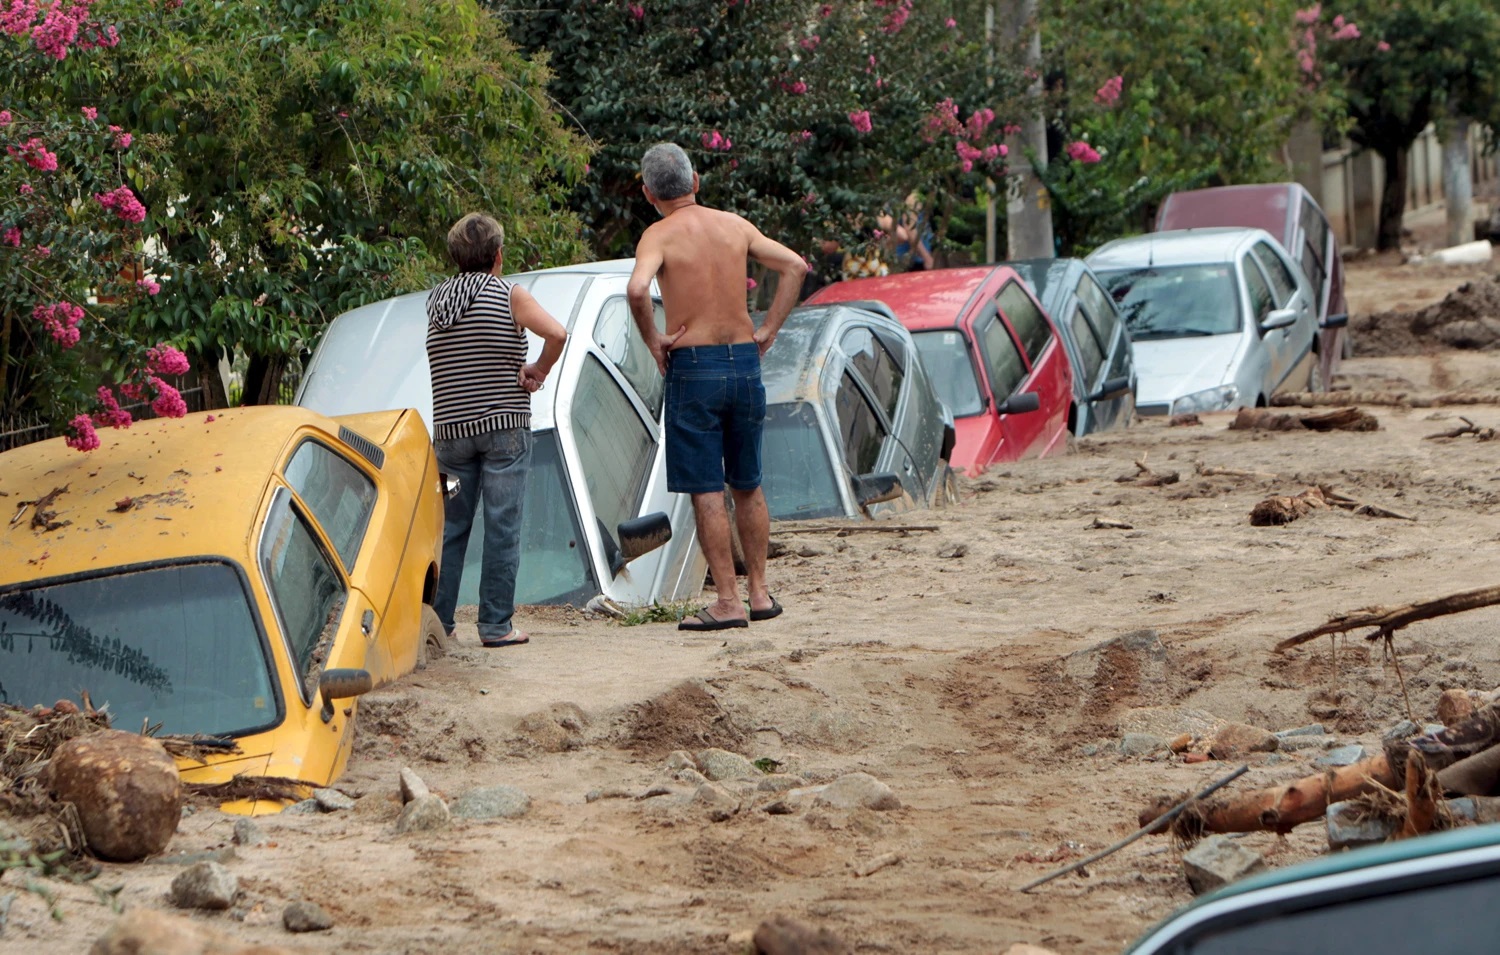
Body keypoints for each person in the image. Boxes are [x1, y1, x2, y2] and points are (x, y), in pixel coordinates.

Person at [626, 143, 807, 631]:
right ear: (696, 181)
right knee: (747, 482)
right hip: (744, 362)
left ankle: (727, 601)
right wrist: (768, 328)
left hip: (694, 366)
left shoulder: (657, 234)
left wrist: (654, 340)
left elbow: (638, 289)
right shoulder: (736, 226)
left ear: (647, 193)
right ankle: (760, 594)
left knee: (707, 488)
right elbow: (795, 266)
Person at [426, 212, 567, 648]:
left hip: (450, 433)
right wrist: (537, 371)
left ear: (455, 256)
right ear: (498, 255)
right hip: (504, 429)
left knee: (449, 529)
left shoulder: (436, 301)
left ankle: (440, 623)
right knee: (502, 526)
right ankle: (495, 626)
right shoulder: (510, 294)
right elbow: (557, 334)